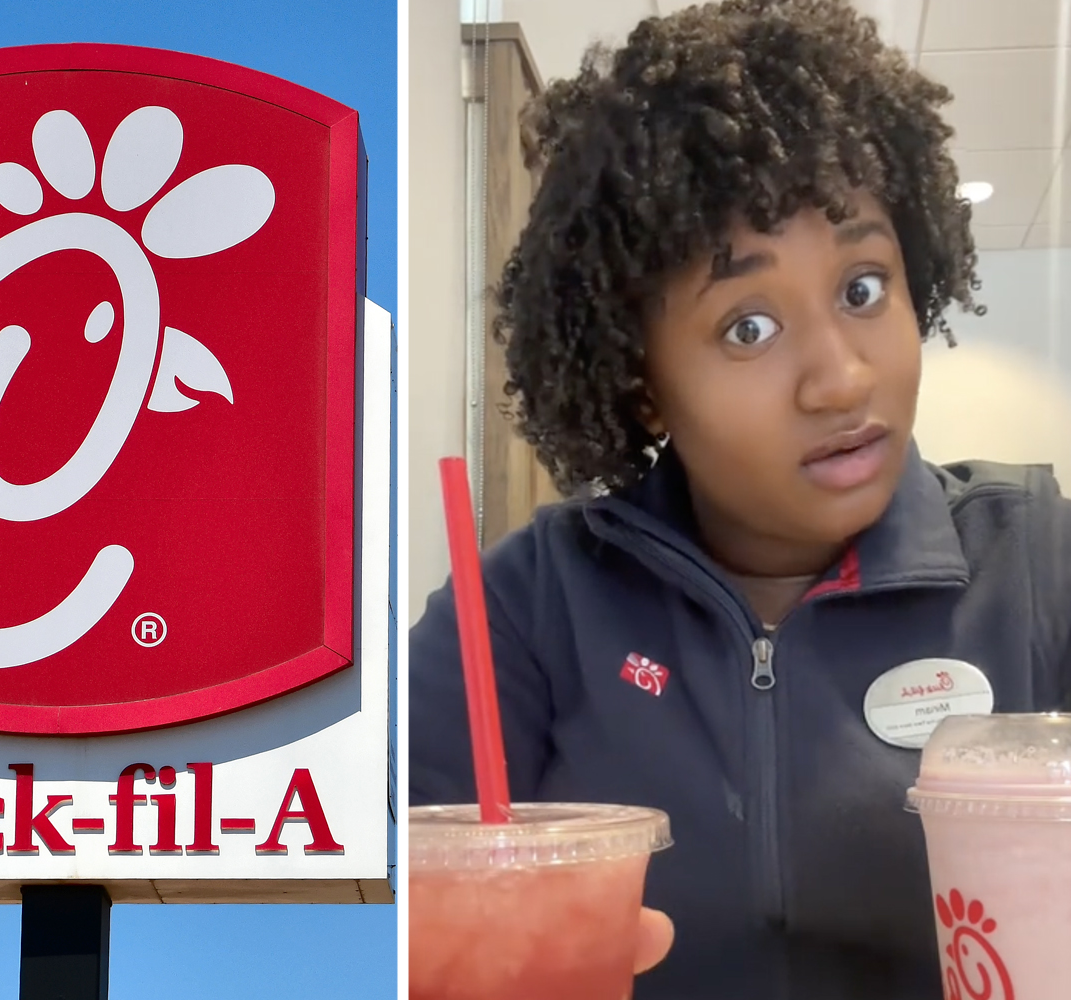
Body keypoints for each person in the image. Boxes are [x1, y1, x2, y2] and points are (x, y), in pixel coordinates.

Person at [407, 0, 1060, 996]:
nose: (839, 379)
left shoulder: (1036, 562)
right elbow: (368, 914)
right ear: (641, 381)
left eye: (862, 288)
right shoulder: (522, 613)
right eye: (746, 327)